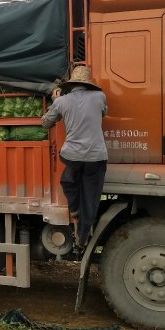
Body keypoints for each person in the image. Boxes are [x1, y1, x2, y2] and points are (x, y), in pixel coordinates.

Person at [40, 65, 108, 254]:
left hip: (72, 156)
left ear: (71, 85)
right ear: (88, 84)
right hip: (96, 157)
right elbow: (104, 113)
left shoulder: (62, 101)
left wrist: (55, 101)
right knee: (91, 196)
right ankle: (83, 235)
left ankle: (74, 209)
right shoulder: (100, 97)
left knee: (68, 180)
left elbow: (45, 122)